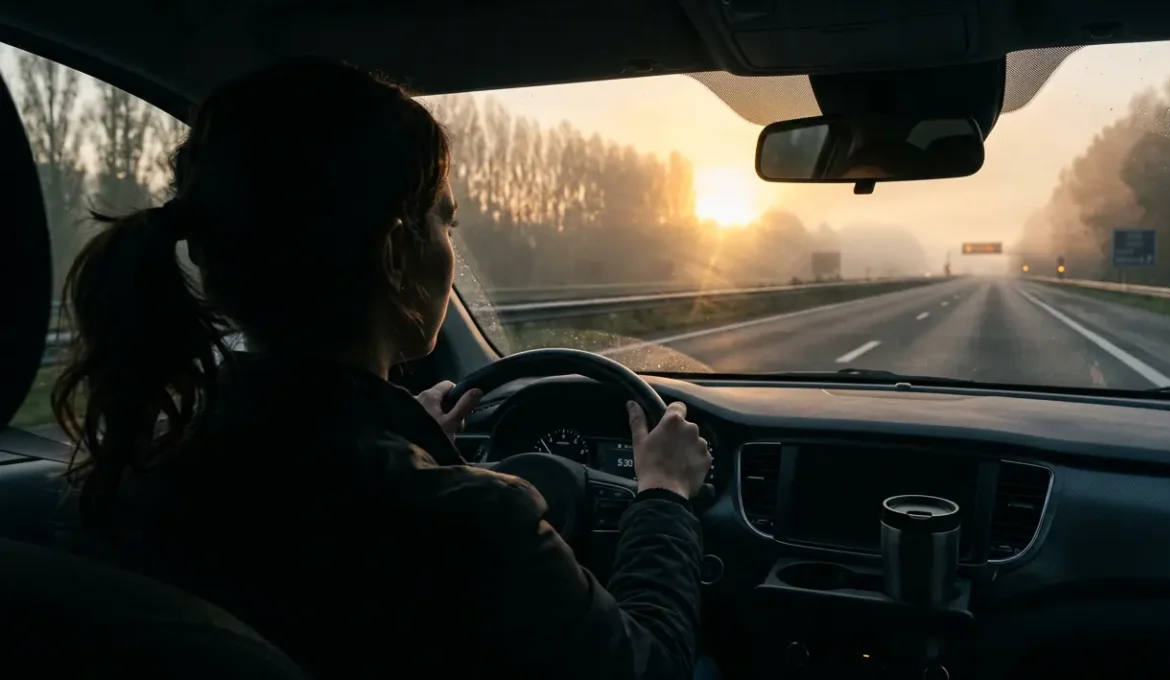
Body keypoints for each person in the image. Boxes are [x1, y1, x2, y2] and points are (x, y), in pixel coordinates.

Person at [52, 58, 713, 679]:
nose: (449, 249)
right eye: (445, 225)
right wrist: (663, 494)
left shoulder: (140, 468)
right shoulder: (453, 522)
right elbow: (650, 663)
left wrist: (405, 444)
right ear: (398, 252)